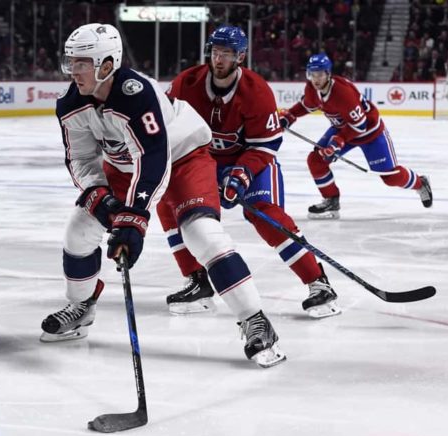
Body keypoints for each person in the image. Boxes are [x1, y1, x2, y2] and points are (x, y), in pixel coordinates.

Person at [39, 23, 285, 368]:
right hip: (126, 166)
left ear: (106, 64)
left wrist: (133, 219)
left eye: (82, 62)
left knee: (201, 234)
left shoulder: (137, 93)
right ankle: (81, 307)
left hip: (183, 156)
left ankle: (255, 320)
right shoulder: (70, 104)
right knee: (79, 229)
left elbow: (154, 156)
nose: (72, 71)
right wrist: (97, 193)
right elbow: (80, 158)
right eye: (71, 62)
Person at [163, 26, 339, 319]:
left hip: (251, 160)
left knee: (263, 213)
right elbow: (166, 123)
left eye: (227, 53)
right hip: (203, 161)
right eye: (215, 52)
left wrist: (241, 173)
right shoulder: (187, 83)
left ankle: (318, 282)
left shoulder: (256, 91)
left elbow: (265, 145)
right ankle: (197, 282)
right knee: (169, 204)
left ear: (240, 56)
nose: (218, 59)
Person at [280, 53, 433, 219]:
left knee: (389, 177)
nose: (316, 79)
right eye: (312, 74)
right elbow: (307, 105)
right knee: (316, 160)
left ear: (328, 73)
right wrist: (290, 116)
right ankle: (331, 199)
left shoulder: (343, 93)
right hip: (343, 128)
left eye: (320, 74)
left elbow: (360, 125)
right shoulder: (311, 88)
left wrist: (338, 141)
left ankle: (420, 183)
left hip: (370, 132)